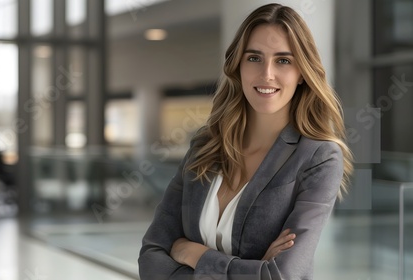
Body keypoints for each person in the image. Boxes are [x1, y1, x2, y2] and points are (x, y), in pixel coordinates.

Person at [138, 3, 353, 279]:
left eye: (283, 60)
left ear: (302, 73)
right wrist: (252, 270)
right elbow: (151, 257)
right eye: (254, 58)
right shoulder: (205, 145)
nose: (266, 74)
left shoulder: (319, 158)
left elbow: (281, 275)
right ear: (238, 65)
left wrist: (195, 254)